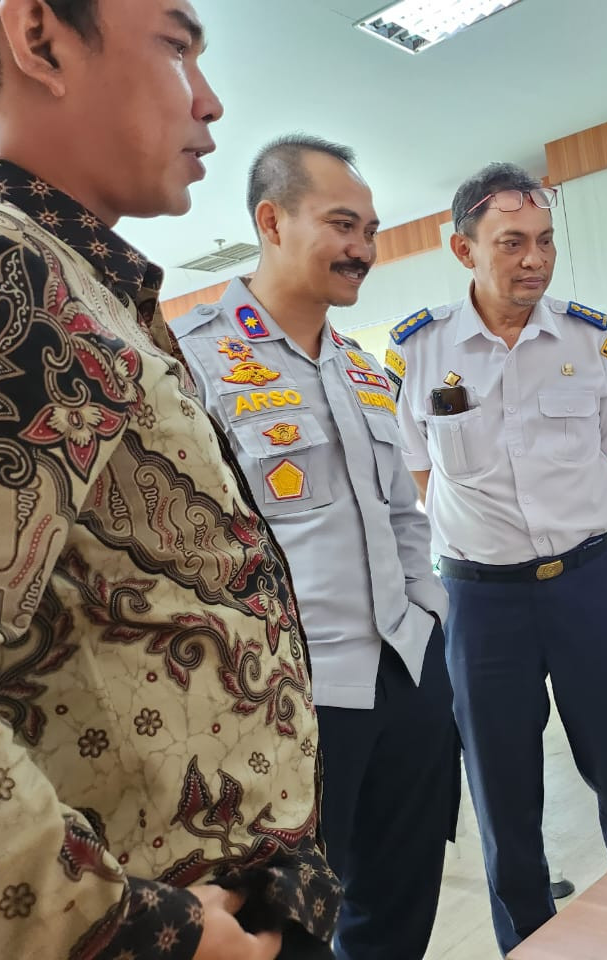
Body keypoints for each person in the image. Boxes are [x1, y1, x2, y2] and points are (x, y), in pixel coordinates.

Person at [0, 3, 338, 959]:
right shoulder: (11, 274)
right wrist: (129, 927)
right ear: (41, 41)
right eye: (178, 48)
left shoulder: (85, 280)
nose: (211, 100)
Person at [170, 136, 458, 960]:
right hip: (288, 700)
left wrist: (428, 630)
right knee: (290, 929)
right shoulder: (194, 363)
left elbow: (406, 516)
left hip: (404, 675)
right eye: (342, 224)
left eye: (369, 228)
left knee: (400, 908)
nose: (362, 248)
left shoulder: (363, 369)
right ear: (271, 220)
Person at [392, 161, 607, 955]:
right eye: (511, 242)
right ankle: (528, 942)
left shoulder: (587, 337)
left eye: (544, 241)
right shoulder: (420, 350)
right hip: (480, 604)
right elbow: (418, 474)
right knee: (503, 794)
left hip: (588, 586)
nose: (534, 259)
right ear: (463, 248)